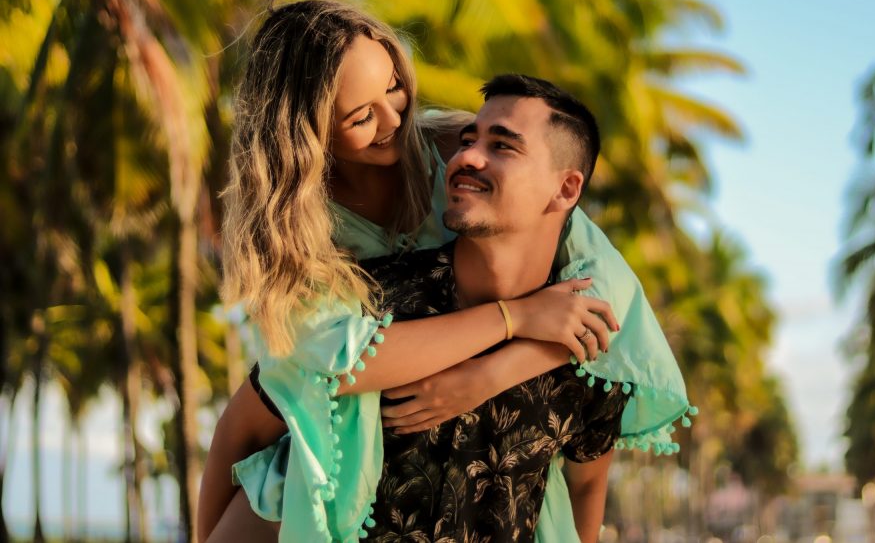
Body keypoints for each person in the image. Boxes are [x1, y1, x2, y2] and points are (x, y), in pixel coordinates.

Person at [199, 0, 696, 542]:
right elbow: (304, 380)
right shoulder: (302, 238)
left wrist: (490, 374)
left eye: (394, 86)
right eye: (361, 116)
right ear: (307, 136)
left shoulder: (450, 149)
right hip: (336, 451)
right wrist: (515, 317)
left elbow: (605, 300)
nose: (396, 119)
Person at [249, 74, 632, 540]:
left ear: (566, 190)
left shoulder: (590, 343)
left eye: (503, 146)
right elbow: (250, 430)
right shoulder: (366, 301)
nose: (466, 156)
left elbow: (587, 483)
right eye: (468, 140)